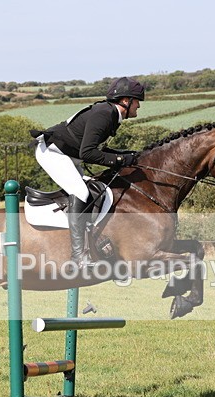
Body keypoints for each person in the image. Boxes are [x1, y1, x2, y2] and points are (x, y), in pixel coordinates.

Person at [31, 76, 145, 268]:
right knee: (81, 192)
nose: (139, 107)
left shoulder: (110, 114)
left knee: (93, 190)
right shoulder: (104, 114)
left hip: (69, 154)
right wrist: (122, 160)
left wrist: (126, 155)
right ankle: (79, 256)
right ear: (126, 101)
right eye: (137, 101)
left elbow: (94, 150)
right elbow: (89, 153)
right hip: (52, 152)